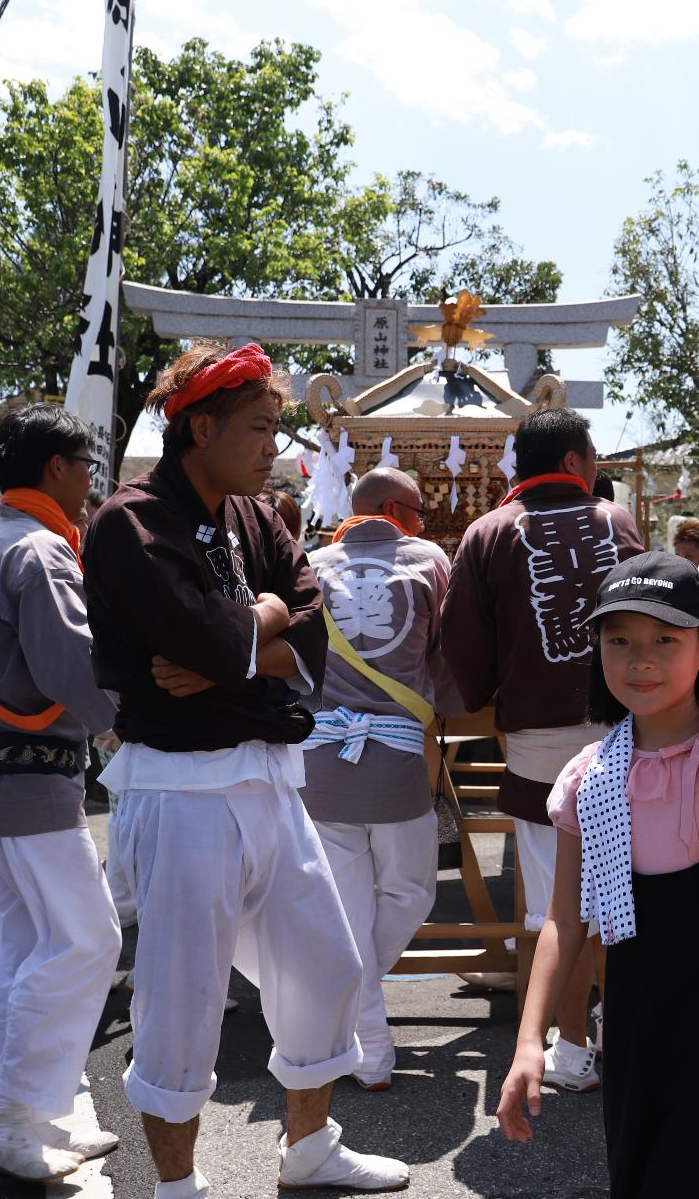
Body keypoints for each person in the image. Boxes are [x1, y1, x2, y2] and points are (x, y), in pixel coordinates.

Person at [86, 341, 406, 1197]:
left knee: (326, 965)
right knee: (181, 999)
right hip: (180, 784)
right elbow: (202, 643)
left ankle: (308, 1148)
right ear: (202, 425)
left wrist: (249, 631)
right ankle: (177, 1183)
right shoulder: (131, 520)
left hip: (269, 774)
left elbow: (311, 624)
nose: (275, 447)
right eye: (260, 428)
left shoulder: (259, 518)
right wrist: (246, 638)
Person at [495, 552, 699, 1197]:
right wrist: (528, 1041)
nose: (639, 659)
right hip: (637, 1021)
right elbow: (565, 918)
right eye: (618, 640)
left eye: (664, 641)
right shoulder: (589, 778)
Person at [0, 405, 123, 1182]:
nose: (91, 484)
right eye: (87, 467)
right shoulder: (45, 549)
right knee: (88, 938)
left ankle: (33, 1111)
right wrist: (143, 725)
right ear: (56, 468)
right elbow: (75, 671)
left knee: (21, 935)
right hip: (27, 772)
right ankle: (14, 1111)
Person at [443, 407, 645, 1093]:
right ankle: (628, 1033)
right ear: (573, 461)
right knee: (631, 889)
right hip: (625, 729)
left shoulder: (487, 532)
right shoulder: (615, 523)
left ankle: (570, 1046)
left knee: (557, 906)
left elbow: (462, 643)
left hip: (534, 737)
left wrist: (490, 697)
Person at [302, 466, 458, 1090]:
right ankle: (372, 1047)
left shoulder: (311, 564)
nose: (423, 524)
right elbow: (448, 654)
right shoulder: (429, 560)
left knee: (345, 908)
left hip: (320, 758)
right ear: (396, 510)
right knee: (413, 890)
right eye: (418, 511)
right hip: (397, 757)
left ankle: (356, 1029)